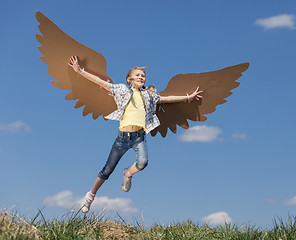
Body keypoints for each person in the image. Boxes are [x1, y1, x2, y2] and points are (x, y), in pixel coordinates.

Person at [68, 56, 203, 213]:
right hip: (122, 138)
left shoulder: (149, 96)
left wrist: (188, 97)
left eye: (143, 76)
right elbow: (100, 82)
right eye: (137, 75)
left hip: (139, 137)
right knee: (107, 170)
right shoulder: (121, 90)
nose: (141, 77)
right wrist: (80, 71)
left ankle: (127, 173)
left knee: (143, 162)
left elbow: (167, 99)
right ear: (129, 79)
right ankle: (90, 197)